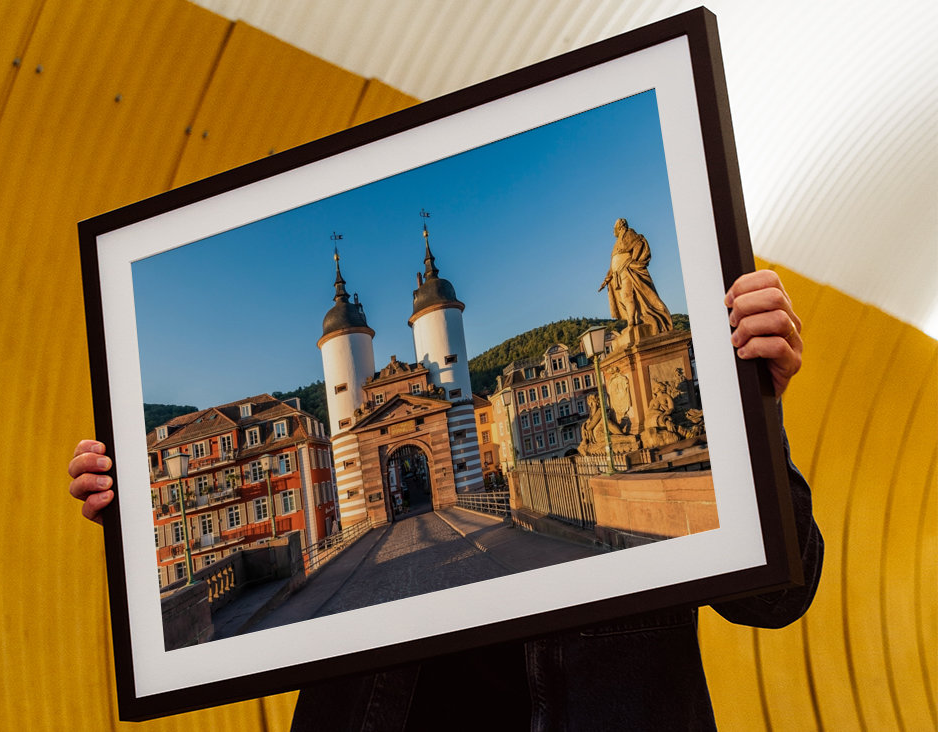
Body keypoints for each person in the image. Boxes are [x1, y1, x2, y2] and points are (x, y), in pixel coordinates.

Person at [69, 270, 821, 730]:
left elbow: (778, 596)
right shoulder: (360, 424)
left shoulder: (707, 407)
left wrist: (753, 410)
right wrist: (136, 528)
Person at [598, 218, 674, 334]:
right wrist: (606, 279)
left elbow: (639, 243)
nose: (613, 230)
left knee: (627, 295)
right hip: (618, 274)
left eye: (614, 228)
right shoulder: (616, 243)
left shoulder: (628, 233)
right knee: (623, 299)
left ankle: (632, 322)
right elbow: (613, 264)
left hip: (628, 270)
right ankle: (633, 319)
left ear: (620, 227)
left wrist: (632, 261)